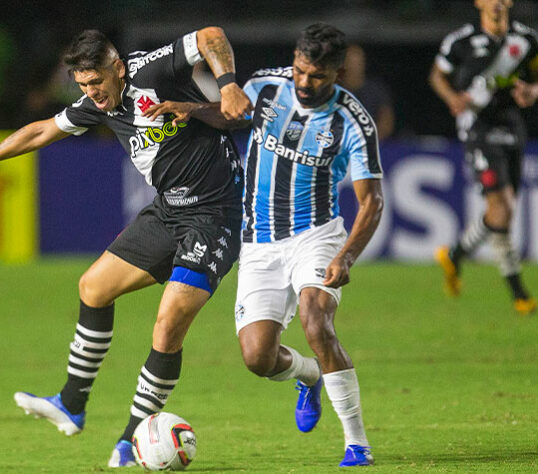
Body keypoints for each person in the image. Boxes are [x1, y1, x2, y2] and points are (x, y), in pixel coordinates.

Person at [0, 28, 252, 467]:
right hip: (168, 213)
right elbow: (42, 131)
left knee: (167, 324)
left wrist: (229, 84)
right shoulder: (95, 105)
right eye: (83, 85)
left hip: (215, 215)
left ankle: (130, 440)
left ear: (118, 68)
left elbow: (212, 36)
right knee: (93, 287)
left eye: (97, 82)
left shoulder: (154, 69)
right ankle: (71, 402)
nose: (92, 93)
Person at [146, 23, 384, 466]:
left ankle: (357, 443)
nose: (305, 83)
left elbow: (372, 201)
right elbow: (231, 113)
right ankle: (309, 374)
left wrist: (347, 254)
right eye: (300, 70)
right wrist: (193, 108)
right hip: (258, 243)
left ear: (338, 72)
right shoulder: (268, 86)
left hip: (316, 236)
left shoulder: (352, 120)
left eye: (317, 76)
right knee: (257, 357)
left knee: (317, 321)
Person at [430, 0, 538, 315]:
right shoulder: (461, 41)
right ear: (479, 3)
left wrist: (533, 92)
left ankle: (455, 254)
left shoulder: (527, 40)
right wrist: (452, 99)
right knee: (503, 206)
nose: (496, 2)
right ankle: (519, 294)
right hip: (477, 128)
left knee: (501, 213)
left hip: (512, 128)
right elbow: (437, 76)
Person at [338, 44, 395, 140]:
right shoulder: (332, 91)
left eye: (357, 62)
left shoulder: (376, 90)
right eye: (351, 62)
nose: (354, 67)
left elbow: (386, 121)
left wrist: (370, 141)